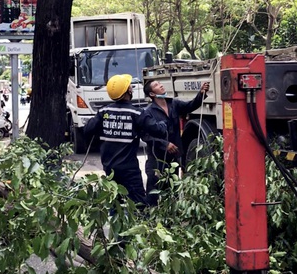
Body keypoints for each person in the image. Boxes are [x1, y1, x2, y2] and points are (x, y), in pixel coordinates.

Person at [83, 74, 168, 208]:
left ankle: (116, 227)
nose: (132, 88)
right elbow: (158, 130)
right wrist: (164, 123)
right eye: (130, 86)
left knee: (116, 202)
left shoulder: (104, 111)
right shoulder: (136, 113)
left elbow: (87, 130)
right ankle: (140, 226)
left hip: (109, 168)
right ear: (128, 91)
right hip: (129, 170)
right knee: (139, 205)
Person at [142, 80, 210, 205]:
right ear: (152, 94)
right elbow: (145, 136)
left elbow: (191, 106)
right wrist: (165, 144)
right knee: (154, 191)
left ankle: (170, 218)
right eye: (157, 85)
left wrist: (201, 94)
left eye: (160, 83)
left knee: (171, 189)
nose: (161, 85)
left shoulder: (173, 104)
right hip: (157, 159)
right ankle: (150, 219)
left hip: (173, 157)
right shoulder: (148, 112)